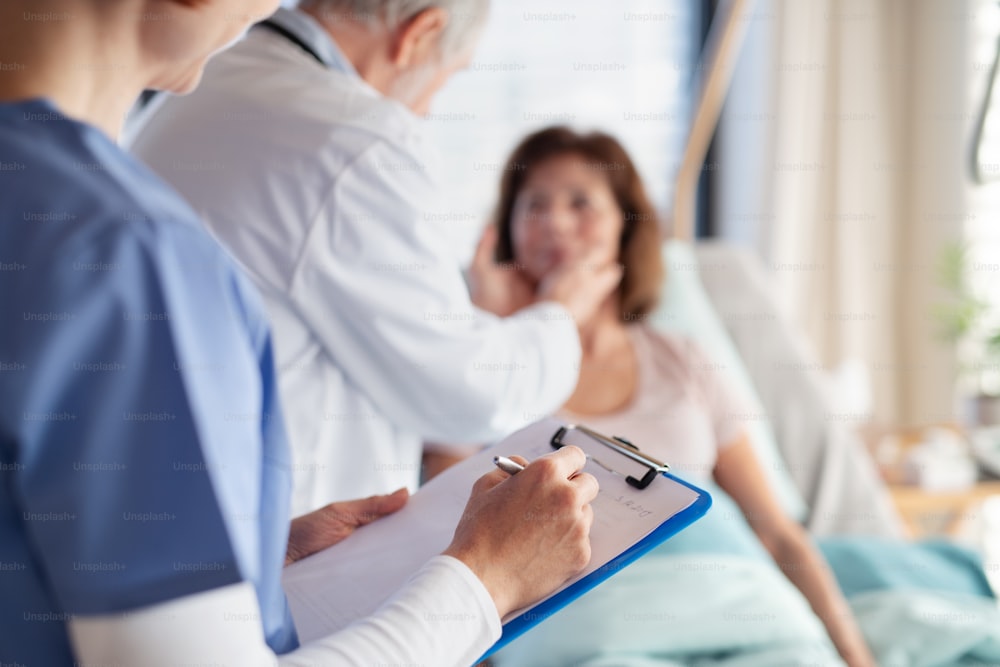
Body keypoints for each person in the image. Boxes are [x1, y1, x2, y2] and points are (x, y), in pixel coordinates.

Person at [0, 4, 598, 666]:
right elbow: (469, 389)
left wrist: (249, 555)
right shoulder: (129, 251)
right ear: (420, 34)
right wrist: (488, 580)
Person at [128, 0, 621, 514]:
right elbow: (468, 394)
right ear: (419, 33)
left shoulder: (198, 86)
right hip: (284, 539)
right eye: (448, 77)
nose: (428, 108)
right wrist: (560, 313)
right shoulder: (357, 139)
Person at [474, 126, 877, 667]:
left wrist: (855, 656)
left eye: (580, 202)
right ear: (508, 233)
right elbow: (454, 535)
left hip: (746, 617)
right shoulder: (485, 369)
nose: (557, 224)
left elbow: (777, 533)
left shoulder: (684, 360)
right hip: (591, 639)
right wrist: (495, 330)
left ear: (625, 224)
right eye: (534, 206)